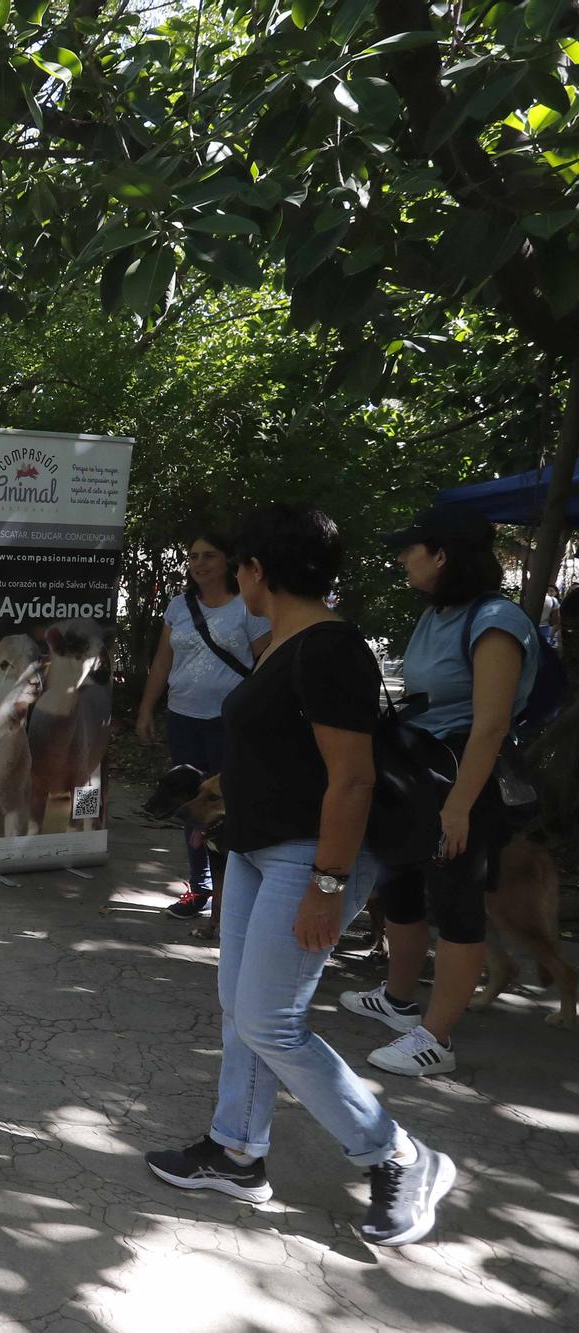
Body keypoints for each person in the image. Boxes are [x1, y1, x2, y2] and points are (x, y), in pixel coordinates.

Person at [144, 502, 455, 1247]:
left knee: (271, 1018)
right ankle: (237, 1150)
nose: (237, 577)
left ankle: (400, 1154)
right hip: (256, 848)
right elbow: (284, 752)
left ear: (258, 570)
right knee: (240, 1005)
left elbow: (351, 780)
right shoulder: (284, 639)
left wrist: (327, 881)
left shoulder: (329, 648)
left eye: (240, 566)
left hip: (306, 854)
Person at [339, 506, 536, 1078]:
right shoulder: (438, 613)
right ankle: (399, 1001)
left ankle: (437, 1038)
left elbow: (491, 723)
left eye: (411, 548)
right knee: (400, 881)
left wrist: (459, 807)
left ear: (442, 553)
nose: (403, 559)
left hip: (465, 783)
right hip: (418, 774)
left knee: (457, 904)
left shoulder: (496, 620)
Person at [135, 530, 271, 920]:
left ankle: (237, 897)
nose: (199, 564)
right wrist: (147, 709)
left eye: (209, 555)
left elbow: (266, 665)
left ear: (228, 561)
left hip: (231, 725)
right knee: (191, 806)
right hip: (184, 719)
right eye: (193, 556)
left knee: (232, 807)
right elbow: (162, 662)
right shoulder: (179, 606)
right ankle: (201, 889)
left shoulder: (247, 606)